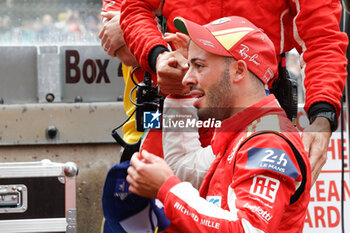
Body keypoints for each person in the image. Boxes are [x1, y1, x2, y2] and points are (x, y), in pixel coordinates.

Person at [120, 0, 349, 185]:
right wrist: (157, 55)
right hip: (181, 106)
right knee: (151, 213)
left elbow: (323, 39)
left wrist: (323, 115)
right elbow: (134, 8)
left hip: (252, 119)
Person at [127, 16, 311, 233]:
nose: (186, 78)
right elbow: (183, 168)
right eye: (189, 65)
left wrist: (167, 190)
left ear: (238, 71)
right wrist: (180, 97)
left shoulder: (267, 140)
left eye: (198, 66)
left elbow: (248, 229)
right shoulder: (245, 131)